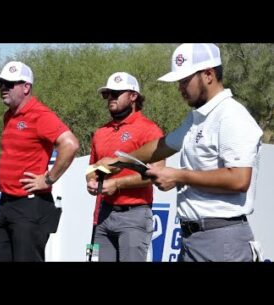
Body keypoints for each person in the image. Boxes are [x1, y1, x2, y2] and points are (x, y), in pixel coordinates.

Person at [97, 44, 263, 262]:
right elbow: (163, 145)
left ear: (208, 75)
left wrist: (178, 176)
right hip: (193, 238)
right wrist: (119, 161)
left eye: (185, 80)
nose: (180, 88)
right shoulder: (198, 118)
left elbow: (240, 178)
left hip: (223, 240)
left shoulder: (232, 116)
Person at [0, 61, 79, 262]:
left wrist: (49, 179)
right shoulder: (9, 116)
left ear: (26, 87)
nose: (3, 89)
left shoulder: (40, 114)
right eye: (0, 84)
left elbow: (70, 144)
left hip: (30, 205)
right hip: (6, 203)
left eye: (9, 84)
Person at [86, 72, 165, 262]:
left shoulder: (149, 129)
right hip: (103, 214)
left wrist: (117, 184)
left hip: (134, 215)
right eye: (107, 94)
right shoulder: (100, 132)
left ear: (133, 96)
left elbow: (157, 173)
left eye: (116, 93)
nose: (110, 98)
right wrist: (90, 179)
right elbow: (92, 168)